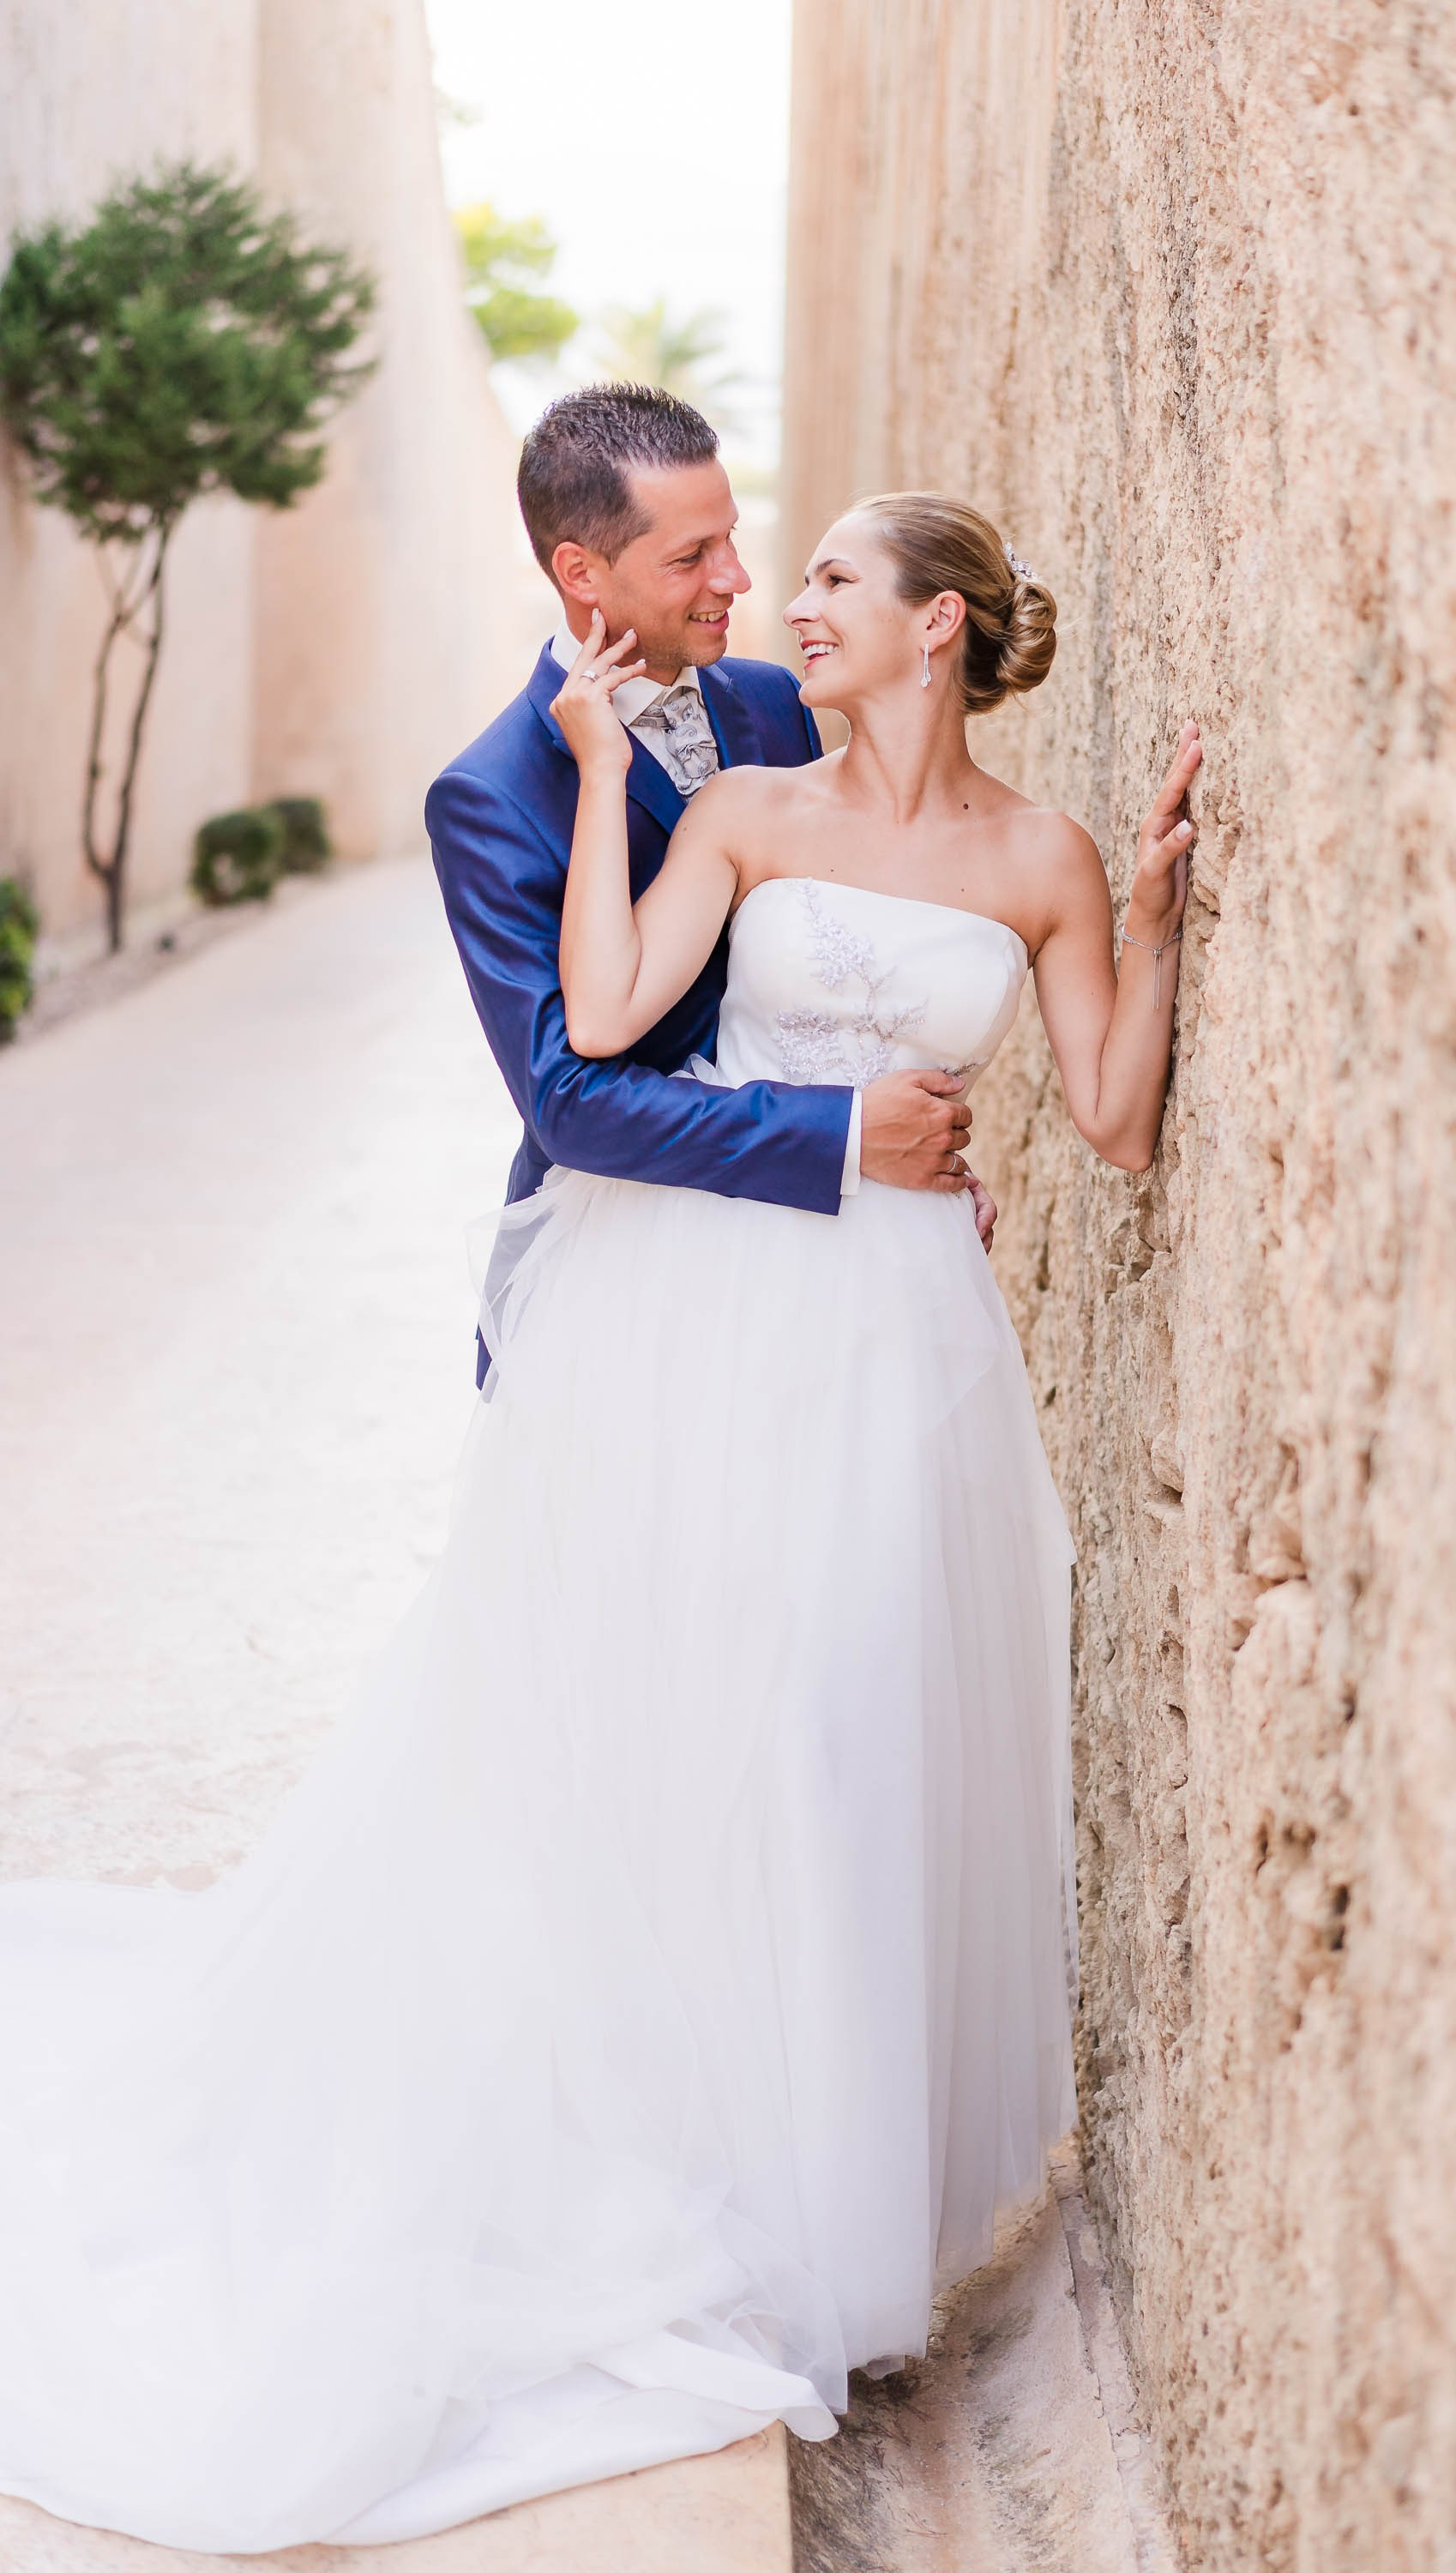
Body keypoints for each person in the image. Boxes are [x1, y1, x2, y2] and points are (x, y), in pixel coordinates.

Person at [0, 458, 1197, 2550]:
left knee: (859, 1732)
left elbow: (1105, 1116)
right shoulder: (708, 798)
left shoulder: (1031, 849)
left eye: (810, 566)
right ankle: (707, 2176)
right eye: (726, 558)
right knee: (710, 1729)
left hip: (911, 1345)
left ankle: (838, 2205)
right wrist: (583, 773)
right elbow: (592, 1051)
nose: (762, 589)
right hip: (711, 1321)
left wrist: (1157, 921)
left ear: (937, 621)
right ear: (586, 575)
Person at [427, 383, 996, 1397]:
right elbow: (570, 1102)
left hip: (823, 1260)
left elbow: (826, 962)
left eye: (727, 538)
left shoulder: (776, 703)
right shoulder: (491, 797)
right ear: (579, 572)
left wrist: (910, 1168)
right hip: (617, 1281)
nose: (734, 578)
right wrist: (852, 1136)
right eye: (689, 558)